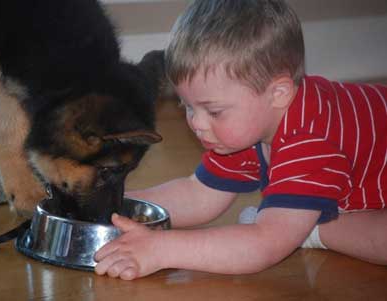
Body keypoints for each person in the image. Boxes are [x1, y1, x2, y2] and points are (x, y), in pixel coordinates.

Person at [94, 0, 387, 280]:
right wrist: (113, 205)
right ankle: (299, 220)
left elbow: (265, 243)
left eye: (213, 110)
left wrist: (161, 249)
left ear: (279, 94)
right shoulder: (245, 126)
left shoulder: (309, 141)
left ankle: (308, 227)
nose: (196, 123)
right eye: (187, 106)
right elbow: (198, 195)